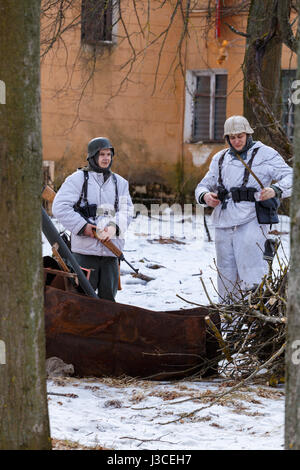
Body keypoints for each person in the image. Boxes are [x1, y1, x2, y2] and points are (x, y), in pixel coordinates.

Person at [195, 115, 292, 303]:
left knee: (253, 271)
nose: (236, 141)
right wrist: (206, 196)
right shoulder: (220, 158)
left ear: (248, 134)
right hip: (224, 221)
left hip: (252, 220)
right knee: (226, 274)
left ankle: (255, 322)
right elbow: (203, 185)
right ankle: (229, 324)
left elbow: (292, 176)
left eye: (240, 136)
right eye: (232, 137)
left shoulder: (266, 154)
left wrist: (275, 189)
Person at [52, 137, 133, 301]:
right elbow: (60, 207)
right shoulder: (77, 179)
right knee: (82, 300)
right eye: (101, 154)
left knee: (108, 301)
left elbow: (127, 210)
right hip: (84, 252)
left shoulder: (120, 183)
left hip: (111, 252)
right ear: (92, 156)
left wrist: (114, 227)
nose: (106, 158)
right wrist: (84, 227)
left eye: (109, 154)